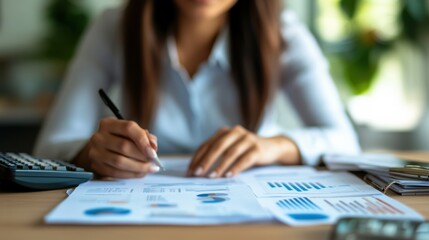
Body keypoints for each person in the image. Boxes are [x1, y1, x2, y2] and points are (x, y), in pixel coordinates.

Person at [33, 0, 360, 179]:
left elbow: (346, 141)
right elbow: (51, 146)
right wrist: (92, 154)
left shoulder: (283, 32)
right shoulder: (113, 27)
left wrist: (272, 147)